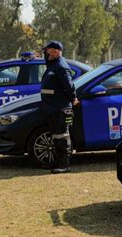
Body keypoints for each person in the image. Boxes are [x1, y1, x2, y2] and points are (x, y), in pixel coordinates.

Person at [40, 41, 78, 173]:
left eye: (48, 51)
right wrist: (44, 53)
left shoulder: (61, 66)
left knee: (62, 136)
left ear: (56, 52)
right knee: (55, 136)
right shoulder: (53, 65)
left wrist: (73, 98)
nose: (46, 54)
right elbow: (47, 59)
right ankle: (57, 162)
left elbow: (69, 86)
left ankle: (64, 164)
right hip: (51, 107)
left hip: (60, 107)